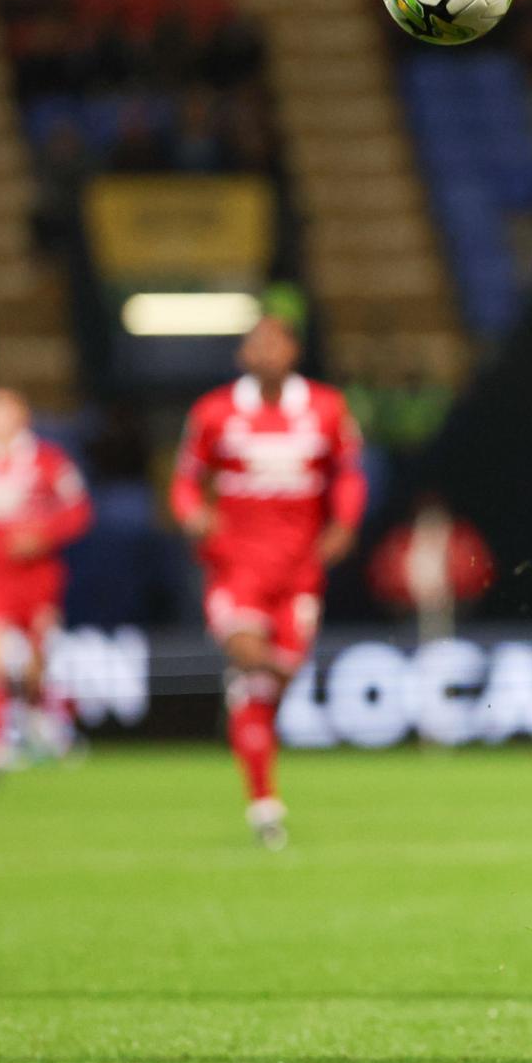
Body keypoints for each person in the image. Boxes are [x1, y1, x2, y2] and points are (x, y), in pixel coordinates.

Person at [170, 317, 365, 848]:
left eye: (277, 343)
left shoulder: (326, 409)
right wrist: (192, 515)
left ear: (294, 351)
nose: (268, 352)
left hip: (299, 570)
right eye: (258, 344)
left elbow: (348, 474)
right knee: (248, 654)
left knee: (270, 685)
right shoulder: (214, 412)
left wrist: (343, 524)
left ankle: (257, 774)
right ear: (243, 356)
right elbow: (185, 479)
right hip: (236, 567)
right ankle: (263, 803)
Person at [0, 389, 92, 772]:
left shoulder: (49, 460)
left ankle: (42, 719)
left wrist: (43, 534)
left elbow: (78, 509)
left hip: (36, 575)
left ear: (22, 417)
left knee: (35, 662)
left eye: (5, 412)